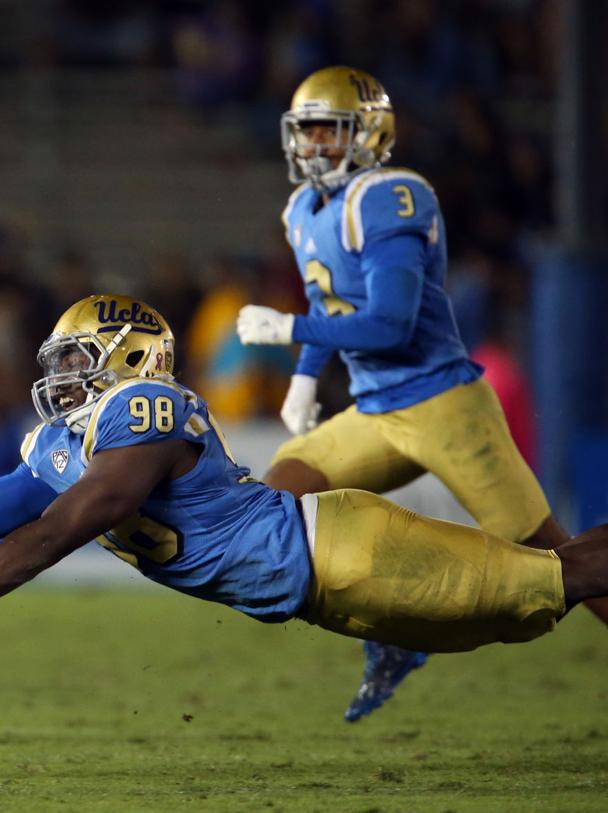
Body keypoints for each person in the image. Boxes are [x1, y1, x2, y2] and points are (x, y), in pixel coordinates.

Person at [0, 295, 608, 702]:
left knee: (555, 578)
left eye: (81, 359)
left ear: (128, 361)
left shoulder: (145, 413)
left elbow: (61, 530)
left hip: (346, 553)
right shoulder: (62, 440)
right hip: (326, 599)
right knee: (532, 605)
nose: (63, 376)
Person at [232, 66, 605, 722]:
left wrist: (287, 328)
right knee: (278, 502)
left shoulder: (389, 198)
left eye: (328, 130)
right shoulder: (302, 209)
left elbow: (389, 321)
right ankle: (392, 632)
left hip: (442, 406)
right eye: (306, 131)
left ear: (367, 133)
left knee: (554, 557)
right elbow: (331, 301)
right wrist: (303, 376)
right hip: (375, 410)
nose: (312, 145)